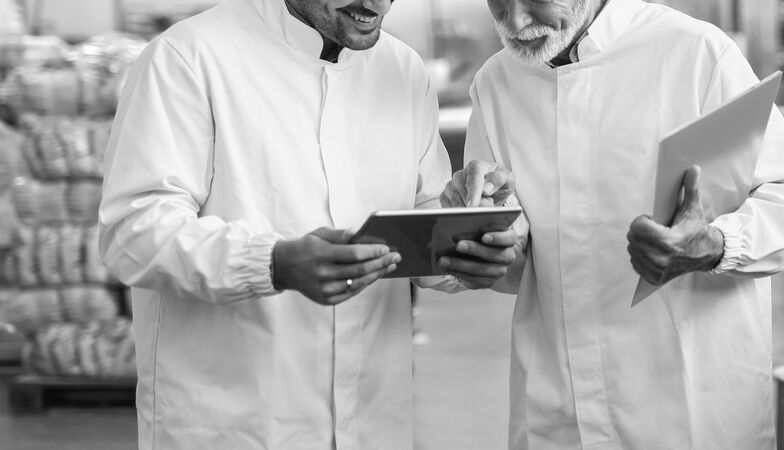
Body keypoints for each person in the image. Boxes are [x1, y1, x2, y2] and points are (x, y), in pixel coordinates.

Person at [98, 0, 517, 448]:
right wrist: (272, 263)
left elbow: (420, 212)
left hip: (373, 421)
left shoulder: (402, 70)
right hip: (237, 426)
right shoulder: (189, 57)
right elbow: (134, 230)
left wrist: (464, 234)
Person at [440, 0, 784, 448]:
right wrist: (491, 237)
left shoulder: (693, 54)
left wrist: (718, 244)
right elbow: (513, 264)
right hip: (558, 411)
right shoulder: (496, 83)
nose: (514, 22)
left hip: (687, 411)